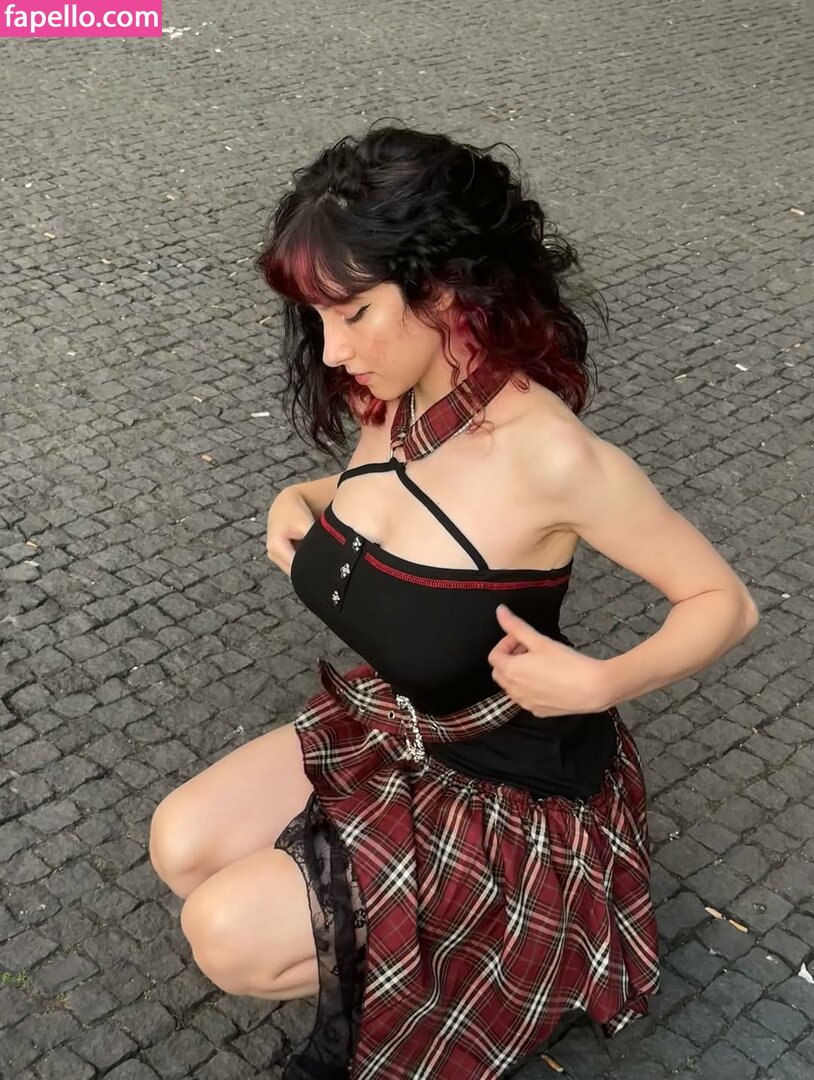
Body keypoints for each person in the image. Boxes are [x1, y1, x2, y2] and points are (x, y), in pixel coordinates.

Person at [148, 124, 760, 1080]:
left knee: (227, 934)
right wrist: (300, 497)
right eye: (316, 318)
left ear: (444, 291)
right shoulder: (394, 395)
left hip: (517, 790)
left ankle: (516, 959)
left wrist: (603, 680)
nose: (332, 350)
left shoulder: (548, 455)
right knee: (180, 846)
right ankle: (402, 936)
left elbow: (724, 599)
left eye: (353, 313)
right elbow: (384, 498)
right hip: (398, 729)